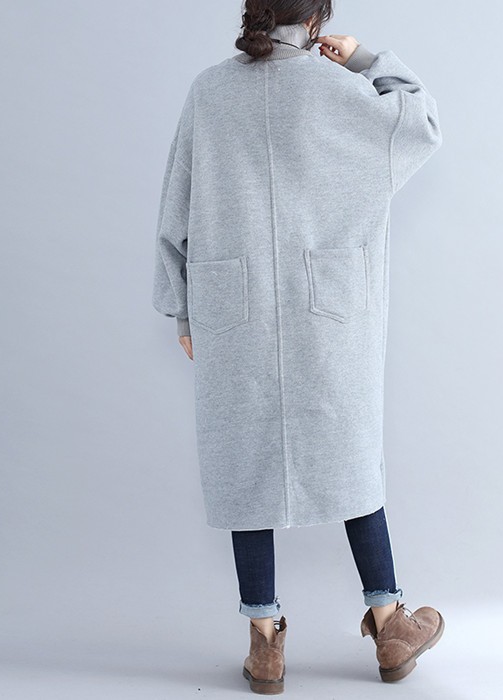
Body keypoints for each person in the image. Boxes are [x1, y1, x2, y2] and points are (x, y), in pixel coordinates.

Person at [152, 1, 444, 693]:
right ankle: (389, 622)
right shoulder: (340, 89)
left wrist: (182, 305)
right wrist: (365, 58)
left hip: (233, 307)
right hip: (330, 311)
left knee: (244, 463)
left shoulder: (209, 91)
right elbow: (421, 122)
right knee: (351, 451)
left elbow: (176, 205)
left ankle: (264, 642)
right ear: (316, 18)